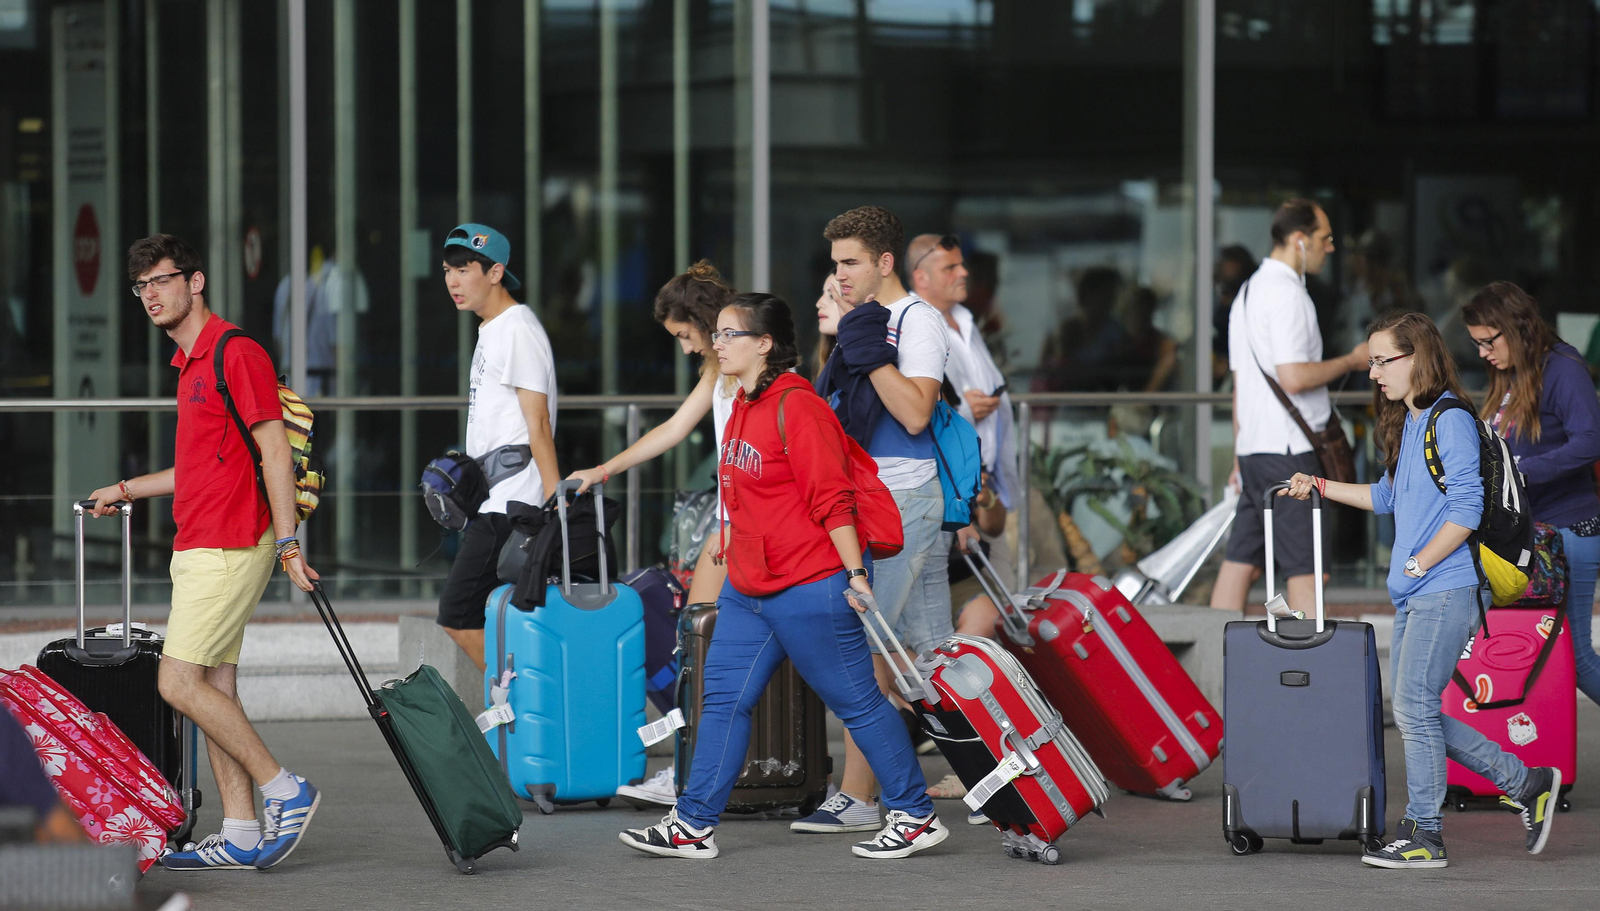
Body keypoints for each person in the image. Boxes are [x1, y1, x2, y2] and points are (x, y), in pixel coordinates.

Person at [619, 293, 947, 861]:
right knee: (722, 701)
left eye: (730, 334)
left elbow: (832, 498)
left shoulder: (799, 406)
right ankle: (692, 825)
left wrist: (854, 573)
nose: (718, 344)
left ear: (765, 344)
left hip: (811, 583)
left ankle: (915, 814)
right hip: (750, 587)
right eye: (716, 334)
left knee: (858, 703)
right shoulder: (741, 403)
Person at [1279, 310, 1561, 869]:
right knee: (1415, 709)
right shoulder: (1413, 420)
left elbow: (1466, 508)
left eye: (1383, 361)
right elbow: (1387, 497)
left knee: (1413, 708)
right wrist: (1321, 485)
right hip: (1419, 590)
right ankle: (1527, 783)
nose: (1374, 373)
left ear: (1418, 357)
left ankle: (1426, 833)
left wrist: (1418, 562)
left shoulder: (1449, 419)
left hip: (1446, 586)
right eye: (1372, 362)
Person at [85, 234, 321, 871]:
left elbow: (274, 451)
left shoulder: (234, 351)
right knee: (215, 687)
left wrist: (288, 543)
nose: (150, 295)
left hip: (229, 544)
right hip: (200, 541)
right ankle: (241, 833)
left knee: (177, 682)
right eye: (141, 286)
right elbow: (196, 468)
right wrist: (125, 489)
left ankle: (285, 789)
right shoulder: (191, 364)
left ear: (196, 282)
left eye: (162, 281)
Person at [790, 206, 952, 835]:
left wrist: (867, 350)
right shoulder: (865, 322)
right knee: (932, 657)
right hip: (879, 503)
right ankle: (1010, 771)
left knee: (867, 649)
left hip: (903, 500)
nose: (841, 275)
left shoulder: (917, 320)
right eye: (835, 264)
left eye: (851, 262)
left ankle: (859, 798)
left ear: (885, 262)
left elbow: (914, 414)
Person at [566, 260, 740, 808]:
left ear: (706, 321)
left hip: (744, 524)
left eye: (686, 335)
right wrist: (604, 470)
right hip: (735, 521)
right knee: (707, 647)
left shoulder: (744, 365)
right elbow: (674, 428)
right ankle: (704, 770)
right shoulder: (721, 367)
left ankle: (701, 774)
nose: (686, 349)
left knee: (704, 648)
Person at [1210, 199, 1368, 616]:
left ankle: (1211, 650)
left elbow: (1242, 384)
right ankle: (1310, 655)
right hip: (1289, 451)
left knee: (1240, 563)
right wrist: (1352, 361)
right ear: (1299, 240)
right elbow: (1294, 377)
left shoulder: (1247, 292)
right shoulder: (1288, 294)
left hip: (1255, 450)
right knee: (1308, 569)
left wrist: (1239, 451)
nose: (1330, 248)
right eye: (1324, 238)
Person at [1464, 282, 1600, 710]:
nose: (1483, 352)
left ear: (1516, 327)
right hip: (1531, 534)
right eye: (1476, 344)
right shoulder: (1512, 372)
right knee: (1547, 653)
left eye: (1489, 341)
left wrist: (1520, 473)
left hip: (1568, 530)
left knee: (1576, 657)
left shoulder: (1562, 368)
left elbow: (1591, 440)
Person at [433, 224, 560, 673]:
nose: (453, 281)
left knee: (457, 613)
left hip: (514, 504)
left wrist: (555, 503)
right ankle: (521, 699)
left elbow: (538, 423)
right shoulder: (492, 328)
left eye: (464, 270)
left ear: (495, 272)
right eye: (447, 270)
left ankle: (519, 698)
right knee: (490, 612)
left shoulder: (518, 330)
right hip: (494, 499)